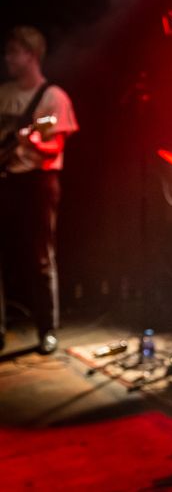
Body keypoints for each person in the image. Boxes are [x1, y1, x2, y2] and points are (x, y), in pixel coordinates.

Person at [0, 26, 78, 353]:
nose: (7, 58)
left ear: (31, 55)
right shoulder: (4, 93)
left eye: (13, 52)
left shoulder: (52, 98)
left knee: (41, 257)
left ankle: (47, 329)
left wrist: (31, 141)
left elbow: (54, 146)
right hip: (6, 178)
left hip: (37, 182)